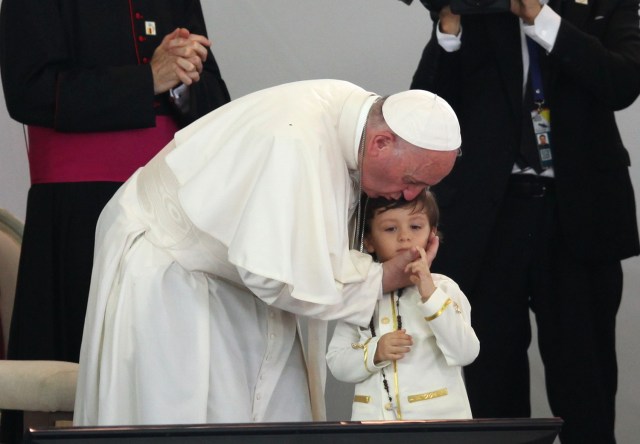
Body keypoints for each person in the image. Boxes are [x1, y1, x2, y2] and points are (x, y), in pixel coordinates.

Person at [72, 81, 462, 426]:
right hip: (172, 274)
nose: (411, 197)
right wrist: (380, 278)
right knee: (181, 415)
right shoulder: (294, 142)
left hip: (236, 283)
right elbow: (273, 277)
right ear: (381, 143)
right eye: (412, 182)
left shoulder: (350, 122)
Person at [410, 0, 640, 442]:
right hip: (491, 220)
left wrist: (541, 18)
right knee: (489, 377)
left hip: (578, 216)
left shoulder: (607, 6)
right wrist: (449, 25)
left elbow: (622, 82)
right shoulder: (479, 11)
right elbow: (426, 109)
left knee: (585, 379)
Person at [0, 1, 229, 441]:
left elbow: (215, 96)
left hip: (173, 210)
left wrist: (181, 78)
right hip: (80, 213)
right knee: (89, 379)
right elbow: (28, 90)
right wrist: (149, 79)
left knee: (176, 372)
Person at [326, 191, 479, 420]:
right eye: (390, 229)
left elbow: (465, 352)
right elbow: (336, 362)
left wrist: (429, 295)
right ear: (368, 240)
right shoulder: (360, 294)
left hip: (439, 427)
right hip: (375, 426)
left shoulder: (445, 289)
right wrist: (374, 352)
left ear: (432, 234)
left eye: (415, 227)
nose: (405, 237)